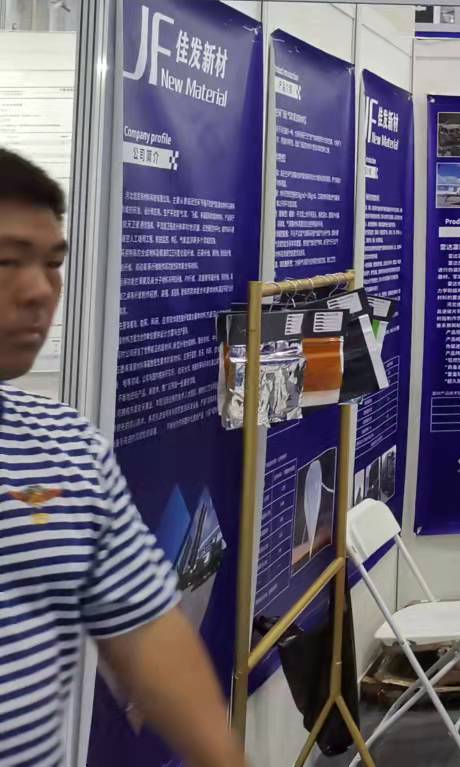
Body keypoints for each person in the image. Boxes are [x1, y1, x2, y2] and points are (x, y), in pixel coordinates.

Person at [0, 148, 246, 767]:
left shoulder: (66, 449)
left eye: (52, 263)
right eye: (6, 262)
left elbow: (148, 634)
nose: (39, 292)